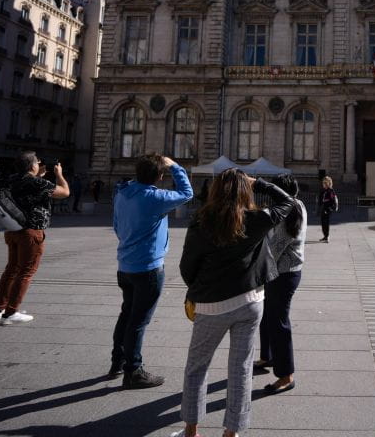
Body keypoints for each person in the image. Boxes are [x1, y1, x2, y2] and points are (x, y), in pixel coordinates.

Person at [176, 169, 293, 437]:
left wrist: (197, 288)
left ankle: (191, 430)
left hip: (211, 306)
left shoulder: (202, 221)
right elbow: (288, 202)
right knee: (240, 369)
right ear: (245, 191)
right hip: (250, 302)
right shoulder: (256, 219)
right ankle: (232, 432)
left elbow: (187, 267)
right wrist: (259, 183)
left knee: (197, 366)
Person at [110, 154, 193, 389]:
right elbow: (187, 193)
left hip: (124, 265)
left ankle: (118, 360)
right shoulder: (155, 197)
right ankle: (133, 370)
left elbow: (117, 225)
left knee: (126, 314)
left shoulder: (122, 193)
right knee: (138, 321)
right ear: (160, 176)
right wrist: (176, 166)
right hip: (148, 267)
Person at [0, 151, 69, 325]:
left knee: (11, 269)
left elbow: (27, 187)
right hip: (31, 232)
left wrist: (39, 176)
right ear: (31, 165)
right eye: (37, 162)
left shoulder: (11, 179)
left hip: (12, 229)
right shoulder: (37, 183)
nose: (39, 164)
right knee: (26, 271)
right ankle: (11, 312)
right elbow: (65, 192)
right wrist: (59, 174)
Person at [256, 173, 306, 395]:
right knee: (267, 316)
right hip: (279, 273)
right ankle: (267, 356)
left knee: (278, 322)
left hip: (283, 274)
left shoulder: (290, 213)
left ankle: (286, 376)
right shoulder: (297, 204)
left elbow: (274, 248)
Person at [318, 176, 338, 242]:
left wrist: (330, 209)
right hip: (323, 208)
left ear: (329, 183)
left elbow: (333, 201)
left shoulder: (331, 191)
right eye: (323, 182)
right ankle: (325, 236)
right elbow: (320, 199)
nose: (324, 184)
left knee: (326, 223)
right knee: (323, 223)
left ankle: (327, 236)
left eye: (325, 183)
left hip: (328, 209)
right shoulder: (323, 190)